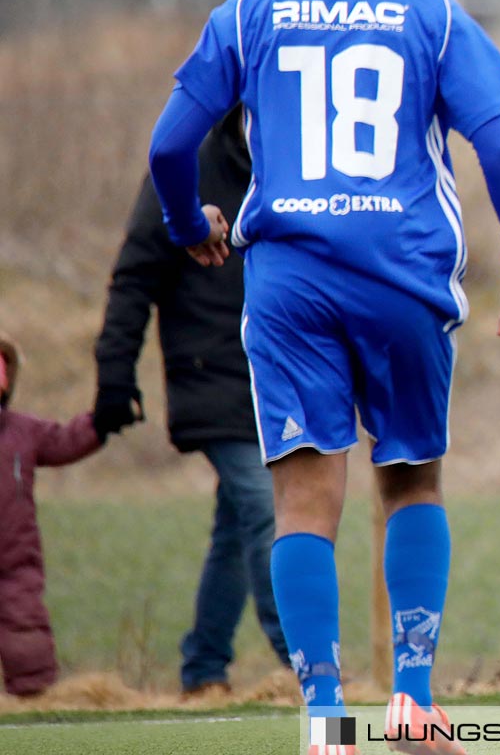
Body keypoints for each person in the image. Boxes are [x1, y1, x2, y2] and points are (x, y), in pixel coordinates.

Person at [148, 0, 500, 755]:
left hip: (290, 284)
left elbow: (170, 149)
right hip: (403, 278)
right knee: (410, 479)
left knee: (303, 504)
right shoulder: (433, 13)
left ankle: (326, 720)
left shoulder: (250, 12)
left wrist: (188, 227)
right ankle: (412, 704)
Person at [93, 104, 289, 698]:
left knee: (235, 525)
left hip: (279, 377)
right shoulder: (184, 173)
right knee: (265, 509)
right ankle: (308, 663)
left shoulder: (301, 169)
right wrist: (114, 375)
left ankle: (204, 670)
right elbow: (134, 277)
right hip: (211, 376)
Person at [0, 334, 103, 697]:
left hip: (15, 561)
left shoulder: (22, 431)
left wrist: (102, 420)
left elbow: (63, 440)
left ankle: (35, 707)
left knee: (27, 640)